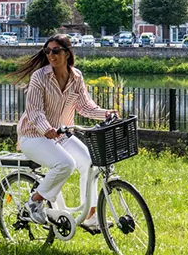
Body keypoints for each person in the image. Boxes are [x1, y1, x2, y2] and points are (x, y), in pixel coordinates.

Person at [11, 34, 115, 232]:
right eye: (47, 51)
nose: (51, 55)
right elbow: (34, 111)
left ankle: (90, 216)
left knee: (89, 162)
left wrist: (106, 113)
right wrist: (46, 129)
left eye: (56, 51)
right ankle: (35, 201)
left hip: (61, 134)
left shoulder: (76, 77)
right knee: (66, 164)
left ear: (67, 53)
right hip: (33, 135)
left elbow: (85, 106)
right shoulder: (39, 77)